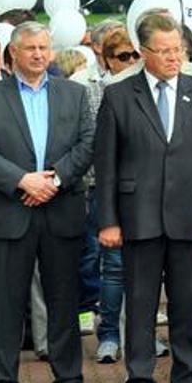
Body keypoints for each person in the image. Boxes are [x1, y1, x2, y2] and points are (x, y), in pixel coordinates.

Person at [95, 13, 192, 383]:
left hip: (190, 214)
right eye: (165, 51)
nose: (174, 58)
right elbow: (107, 166)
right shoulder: (119, 95)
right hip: (138, 217)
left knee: (187, 303)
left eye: (179, 50)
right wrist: (108, 221)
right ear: (143, 52)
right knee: (139, 305)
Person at [0, 22, 95, 383]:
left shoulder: (74, 94)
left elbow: (89, 142)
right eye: (30, 48)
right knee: (7, 300)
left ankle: (68, 376)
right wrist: (23, 180)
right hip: (9, 210)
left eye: (44, 47)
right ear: (14, 54)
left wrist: (54, 179)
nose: (38, 54)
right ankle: (5, 381)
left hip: (61, 207)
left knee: (64, 297)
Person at [81, 27, 140, 365]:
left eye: (135, 55)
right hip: (105, 190)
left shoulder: (146, 87)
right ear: (107, 59)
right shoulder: (91, 88)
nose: (131, 61)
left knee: (143, 271)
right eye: (123, 56)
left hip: (144, 193)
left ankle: (139, 334)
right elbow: (94, 146)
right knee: (113, 267)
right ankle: (109, 334)